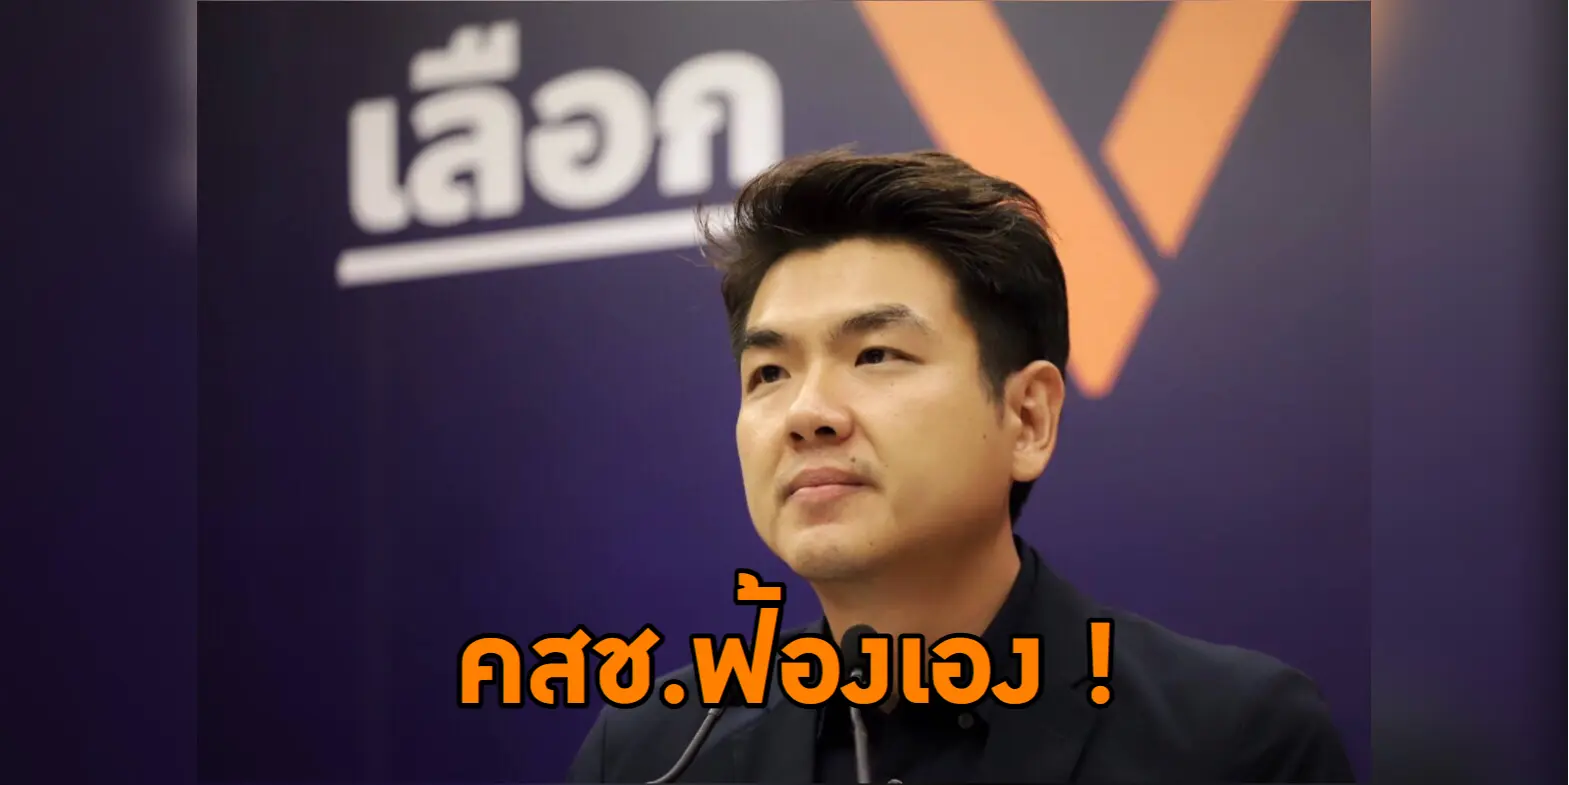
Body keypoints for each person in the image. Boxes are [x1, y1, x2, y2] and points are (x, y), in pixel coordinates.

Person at [566, 149, 1355, 783]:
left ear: (1027, 417)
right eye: (768, 373)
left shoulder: (1231, 739)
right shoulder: (647, 753)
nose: (807, 413)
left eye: (875, 354)